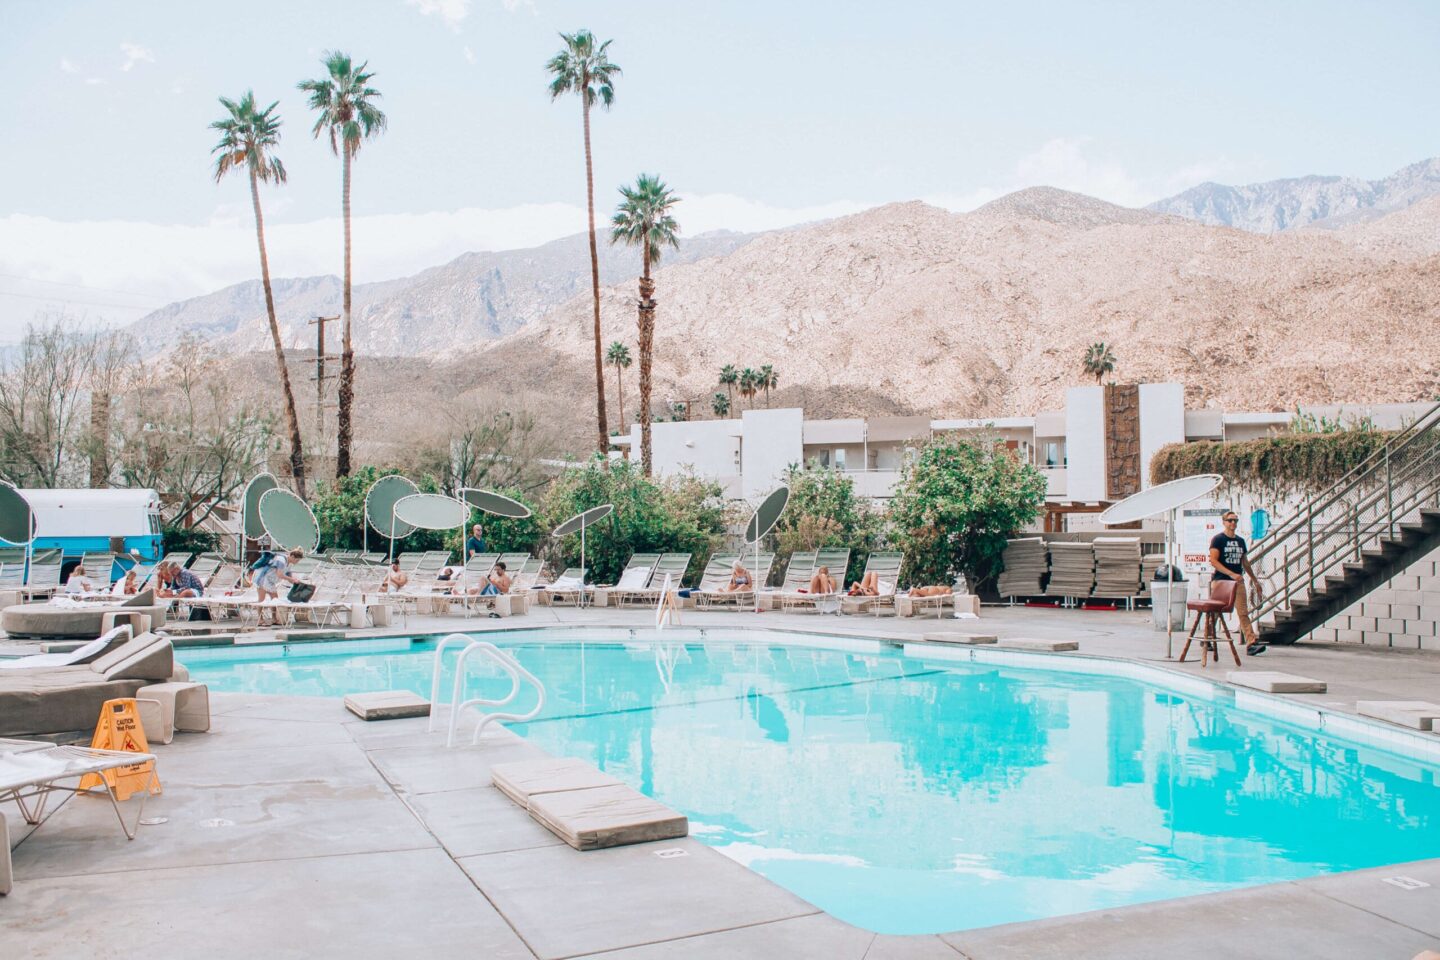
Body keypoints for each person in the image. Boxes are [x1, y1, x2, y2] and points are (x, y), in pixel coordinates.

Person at [1210, 510, 1266, 656]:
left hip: (1238, 582)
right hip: (1221, 581)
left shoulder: (1240, 541)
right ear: (1224, 522)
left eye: (1235, 520)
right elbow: (1213, 560)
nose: (1233, 523)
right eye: (1230, 520)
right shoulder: (1218, 539)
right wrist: (1231, 574)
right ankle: (1208, 636)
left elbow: (1245, 562)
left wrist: (1254, 580)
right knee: (1216, 611)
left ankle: (1251, 643)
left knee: (1243, 612)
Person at [255, 548, 304, 626]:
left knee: (275, 599)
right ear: (292, 556)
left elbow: (289, 577)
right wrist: (291, 579)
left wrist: (295, 582)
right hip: (263, 578)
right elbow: (279, 574)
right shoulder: (281, 560)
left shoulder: (289, 564)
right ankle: (260, 619)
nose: (297, 562)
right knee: (261, 600)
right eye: (297, 560)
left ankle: (274, 618)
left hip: (271, 581)